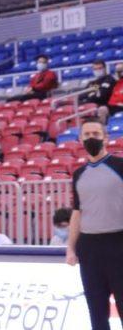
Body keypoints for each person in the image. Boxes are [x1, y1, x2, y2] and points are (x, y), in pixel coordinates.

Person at [66, 119, 123, 330]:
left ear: (106, 138)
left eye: (96, 134)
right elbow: (77, 213)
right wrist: (71, 247)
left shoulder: (120, 166)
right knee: (96, 311)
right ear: (80, 139)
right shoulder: (78, 174)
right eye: (87, 134)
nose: (92, 138)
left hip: (119, 243)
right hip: (90, 248)